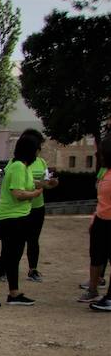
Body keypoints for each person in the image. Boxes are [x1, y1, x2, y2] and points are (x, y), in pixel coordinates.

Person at [0, 130, 49, 308]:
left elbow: (26, 186)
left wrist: (43, 185)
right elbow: (17, 193)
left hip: (18, 217)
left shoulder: (22, 167)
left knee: (14, 256)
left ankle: (14, 292)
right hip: (11, 218)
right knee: (8, 256)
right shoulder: (18, 166)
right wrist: (35, 193)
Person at [77, 132, 111, 311]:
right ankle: (93, 289)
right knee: (96, 257)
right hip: (101, 220)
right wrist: (94, 219)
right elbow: (101, 200)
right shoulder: (106, 173)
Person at [22, 148, 57, 283]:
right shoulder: (18, 164)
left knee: (34, 240)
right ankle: (6, 270)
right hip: (21, 208)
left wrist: (51, 184)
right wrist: (38, 184)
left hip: (38, 207)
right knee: (16, 241)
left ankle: (33, 269)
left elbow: (46, 182)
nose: (37, 151)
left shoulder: (41, 162)